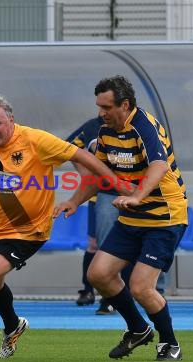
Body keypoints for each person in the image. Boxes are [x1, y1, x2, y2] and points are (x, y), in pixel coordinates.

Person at [0, 93, 131, 359]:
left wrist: (115, 183)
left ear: (11, 120)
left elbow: (80, 155)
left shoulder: (35, 140)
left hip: (30, 229)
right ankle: (13, 325)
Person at [54, 75, 188, 361]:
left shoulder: (144, 126)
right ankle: (138, 329)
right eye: (98, 107)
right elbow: (99, 176)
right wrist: (74, 201)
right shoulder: (105, 133)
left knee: (141, 286)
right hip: (132, 217)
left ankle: (170, 344)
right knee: (98, 274)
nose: (100, 113)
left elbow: (159, 166)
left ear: (124, 105)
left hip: (164, 217)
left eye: (106, 107)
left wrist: (138, 196)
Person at [65, 117, 117, 314]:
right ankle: (90, 291)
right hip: (100, 196)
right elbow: (68, 147)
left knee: (122, 247)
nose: (104, 111)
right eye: (101, 106)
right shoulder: (91, 126)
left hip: (130, 195)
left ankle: (122, 295)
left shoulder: (135, 126)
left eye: (107, 106)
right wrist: (86, 173)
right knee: (96, 244)